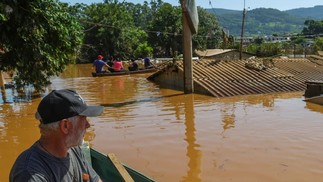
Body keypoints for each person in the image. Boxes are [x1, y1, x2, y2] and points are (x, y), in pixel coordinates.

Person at [9, 89, 104, 182]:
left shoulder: (74, 149)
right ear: (65, 126)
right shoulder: (29, 174)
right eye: (83, 119)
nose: (88, 125)